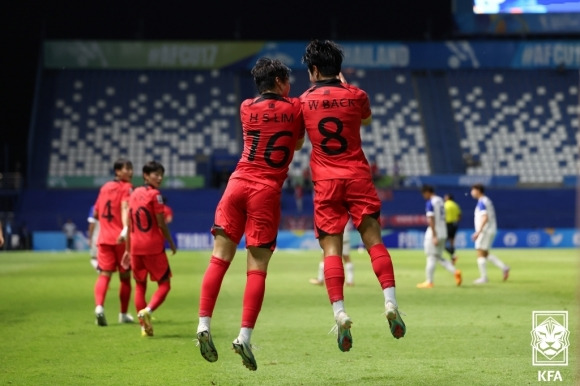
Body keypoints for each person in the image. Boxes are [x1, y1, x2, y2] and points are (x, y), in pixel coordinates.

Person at [195, 57, 305, 371]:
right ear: (282, 81)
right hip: (265, 191)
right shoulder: (295, 108)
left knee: (218, 259)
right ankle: (244, 336)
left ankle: (203, 324)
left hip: (236, 184)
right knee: (256, 268)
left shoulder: (246, 107)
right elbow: (296, 143)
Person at [299, 39, 406, 353]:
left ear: (314, 70)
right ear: (339, 68)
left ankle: (340, 313)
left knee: (332, 250)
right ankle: (390, 303)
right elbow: (366, 120)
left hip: (326, 182)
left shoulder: (302, 101)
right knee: (374, 241)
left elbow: (298, 140)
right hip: (358, 177)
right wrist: (343, 87)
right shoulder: (357, 95)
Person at [126, 161, 177, 337]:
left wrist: (127, 249)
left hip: (135, 247)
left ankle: (143, 327)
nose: (160, 178)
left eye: (161, 174)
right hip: (153, 246)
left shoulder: (133, 194)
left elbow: (129, 222)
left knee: (140, 286)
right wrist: (170, 241)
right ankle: (148, 310)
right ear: (146, 175)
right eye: (156, 174)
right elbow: (161, 223)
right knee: (165, 284)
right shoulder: (156, 195)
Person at [92, 158, 135, 326]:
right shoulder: (127, 188)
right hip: (121, 239)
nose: (130, 172)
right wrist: (124, 228)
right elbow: (127, 209)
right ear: (117, 171)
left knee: (105, 275)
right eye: (127, 169)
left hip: (104, 239)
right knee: (125, 278)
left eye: (131, 168)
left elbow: (96, 214)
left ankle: (99, 308)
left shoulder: (104, 188)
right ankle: (123, 314)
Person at [416, 185, 462, 288]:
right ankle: (455, 272)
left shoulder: (430, 202)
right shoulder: (441, 200)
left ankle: (429, 281)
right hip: (443, 232)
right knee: (438, 257)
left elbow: (431, 219)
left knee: (431, 257)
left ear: (428, 192)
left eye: (424, 194)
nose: (424, 196)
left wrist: (434, 235)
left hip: (435, 232)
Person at [470, 184, 510, 284]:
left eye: (473, 190)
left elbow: (485, 217)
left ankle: (484, 278)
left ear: (478, 190)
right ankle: (504, 267)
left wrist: (478, 232)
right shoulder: (486, 200)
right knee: (485, 254)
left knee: (479, 252)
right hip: (490, 229)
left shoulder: (482, 202)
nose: (471, 192)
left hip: (485, 231)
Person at [309, 218, 354, 286]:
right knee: (346, 258)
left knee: (325, 256)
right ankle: (350, 280)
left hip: (332, 233)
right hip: (345, 234)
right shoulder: (347, 208)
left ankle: (320, 279)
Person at [444, 193, 461, 264]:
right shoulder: (455, 205)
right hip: (454, 225)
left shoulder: (445, 205)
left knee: (442, 243)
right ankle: (453, 257)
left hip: (446, 224)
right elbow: (459, 215)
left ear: (448, 198)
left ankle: (453, 255)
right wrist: (456, 222)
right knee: (452, 242)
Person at [87, 205, 100, 271]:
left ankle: (101, 271)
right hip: (109, 236)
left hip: (97, 236)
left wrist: (90, 238)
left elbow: (92, 224)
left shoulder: (94, 208)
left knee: (94, 258)